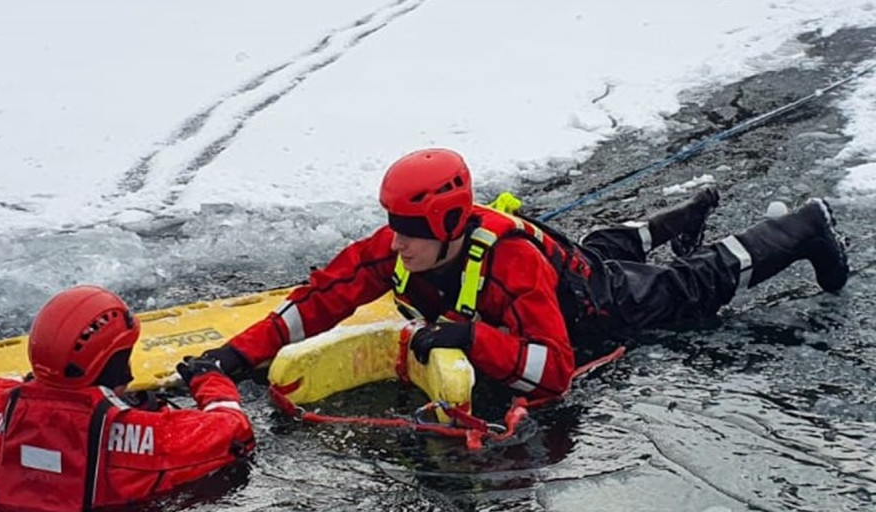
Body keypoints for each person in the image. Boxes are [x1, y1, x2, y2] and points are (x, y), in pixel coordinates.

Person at [200, 148, 849, 401]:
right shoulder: (398, 246)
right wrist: (237, 354)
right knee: (598, 246)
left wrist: (470, 339)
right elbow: (321, 299)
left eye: (409, 230)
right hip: (572, 264)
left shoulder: (508, 260)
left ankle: (805, 226)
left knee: (691, 288)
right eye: (392, 224)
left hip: (597, 307)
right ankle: (672, 222)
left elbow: (555, 369)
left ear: (452, 224)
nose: (395, 243)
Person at [0, 284, 254, 512]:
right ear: (117, 363)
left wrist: (44, 387)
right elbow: (234, 431)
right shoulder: (152, 435)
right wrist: (210, 380)